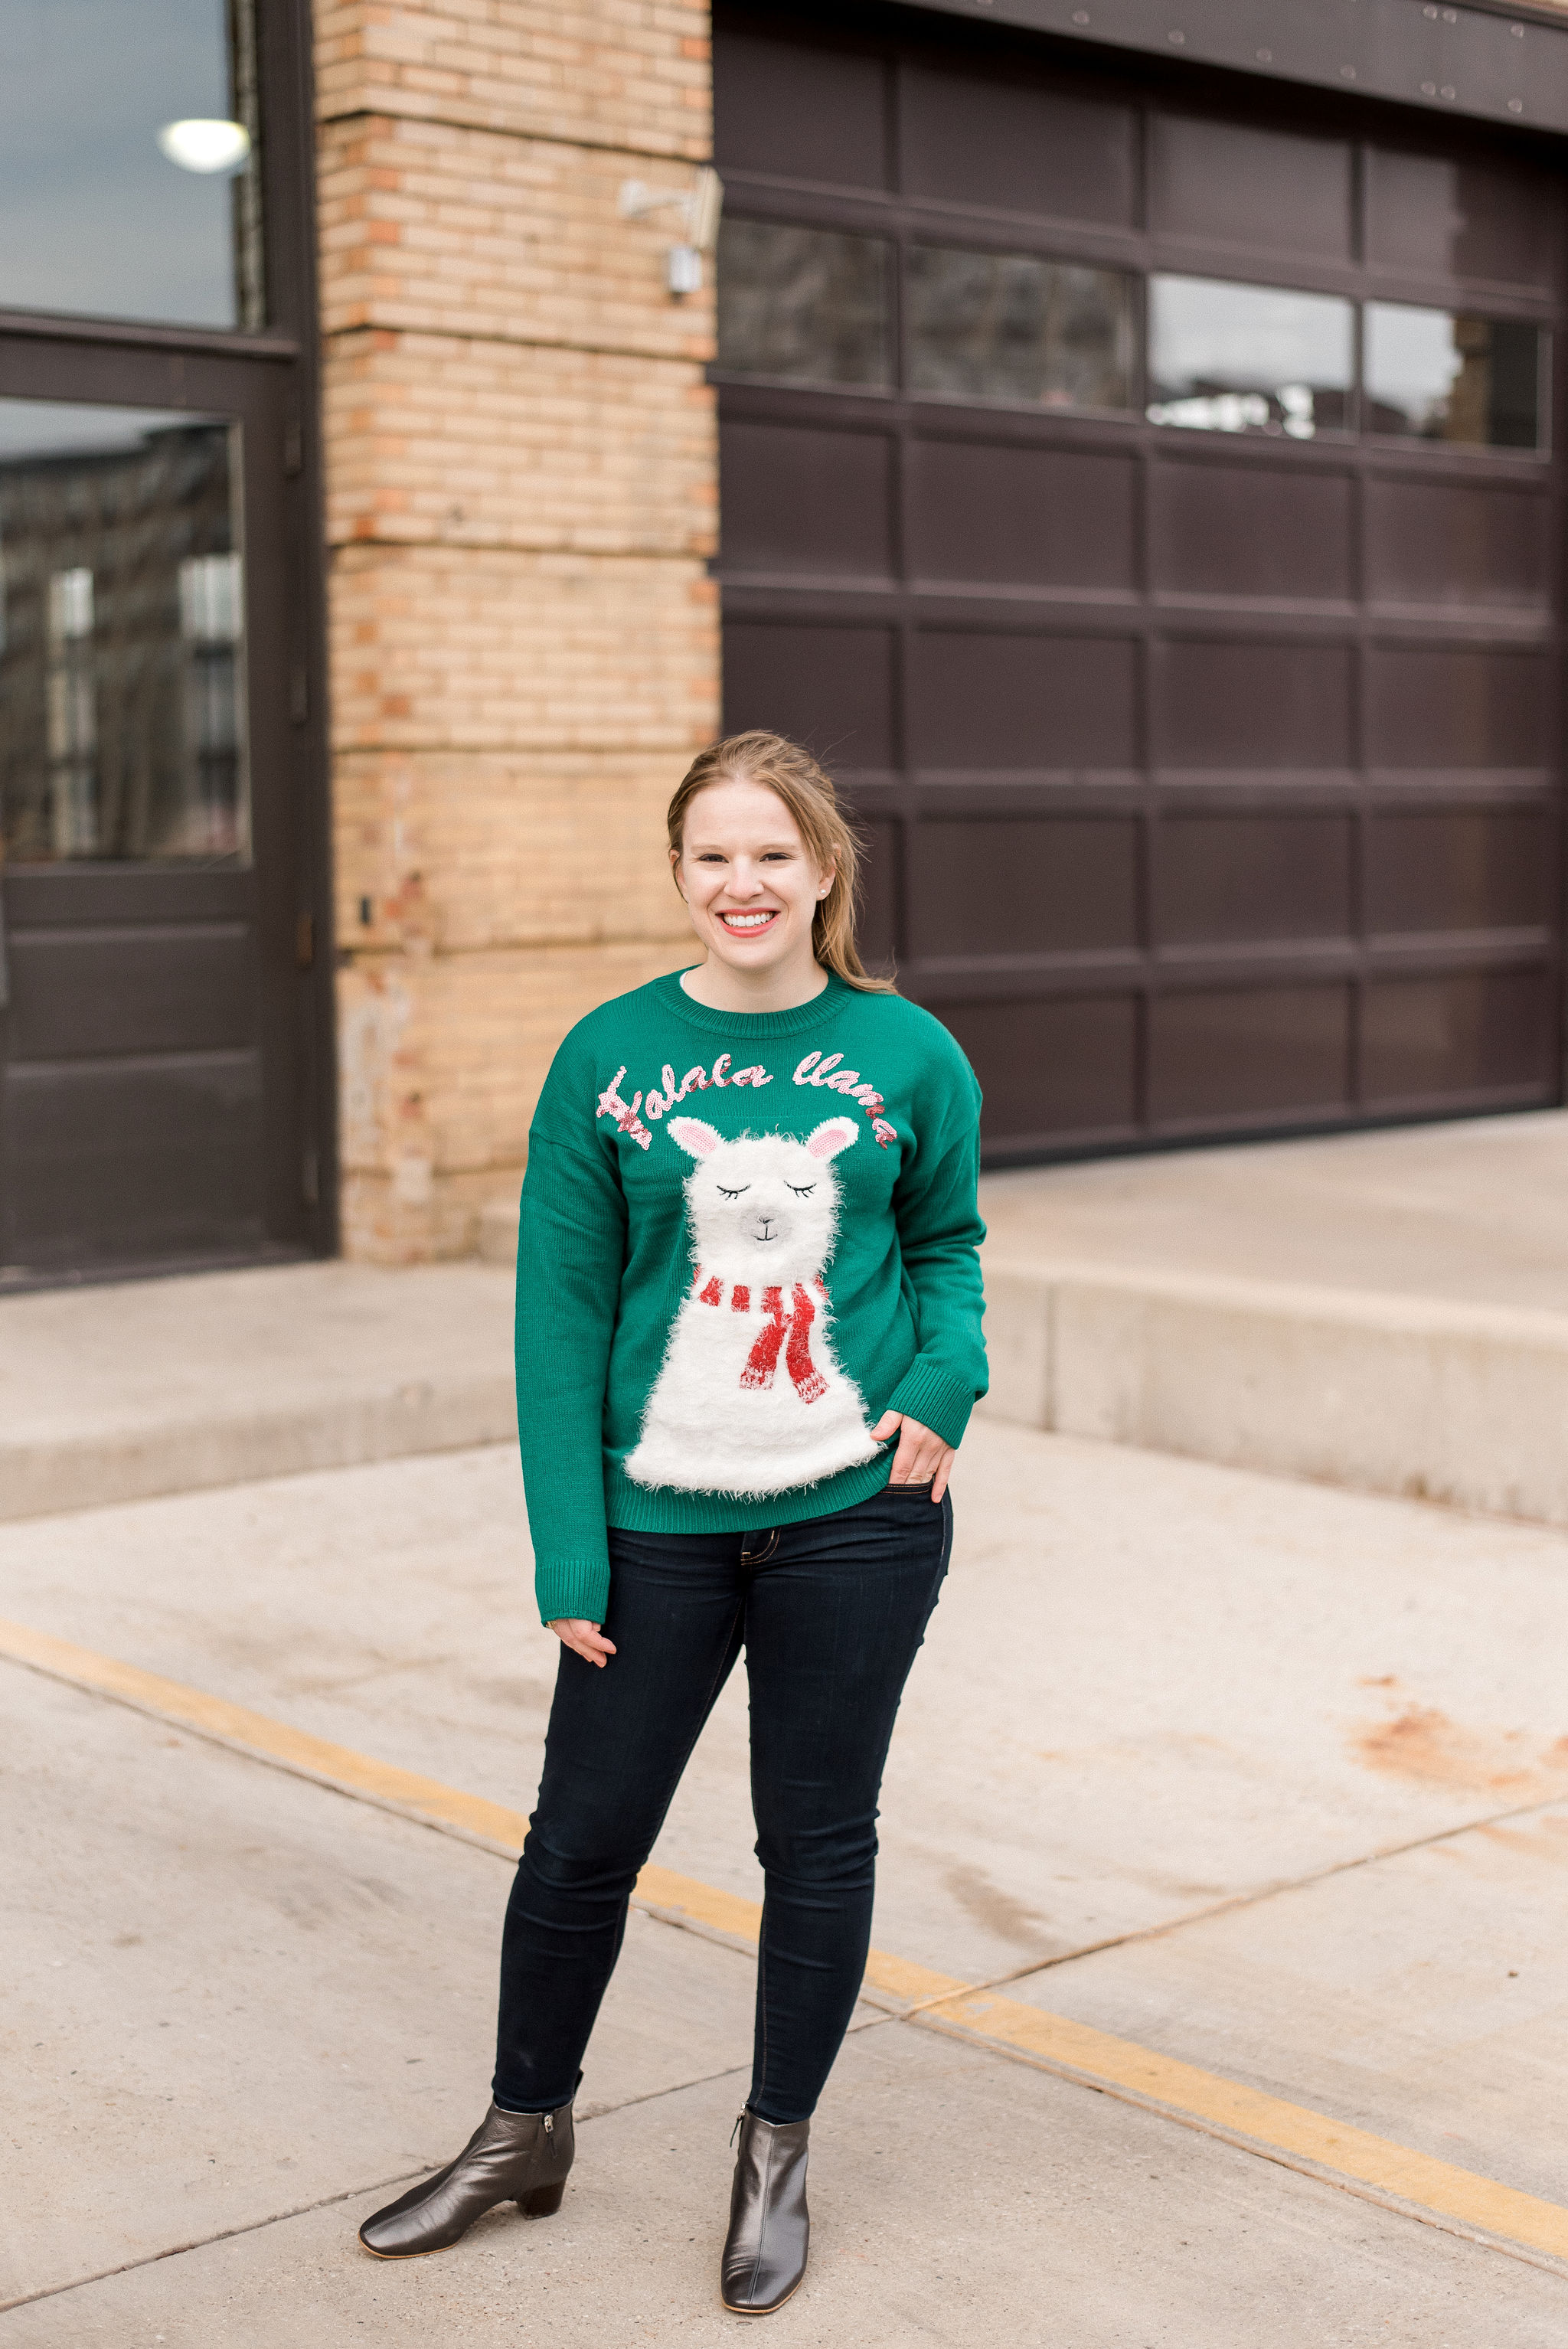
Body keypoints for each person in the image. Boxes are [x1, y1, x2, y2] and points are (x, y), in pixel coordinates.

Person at [358, 731, 987, 2315]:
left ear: (824, 869)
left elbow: (949, 1244)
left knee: (816, 1841)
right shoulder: (608, 1056)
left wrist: (944, 1383)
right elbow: (557, 1317)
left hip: (859, 1511)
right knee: (581, 1840)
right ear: (678, 875)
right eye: (712, 855)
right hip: (656, 1520)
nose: (742, 883)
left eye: (772, 853)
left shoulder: (908, 1053)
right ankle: (522, 2129)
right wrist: (571, 1545)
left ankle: (774, 2152)